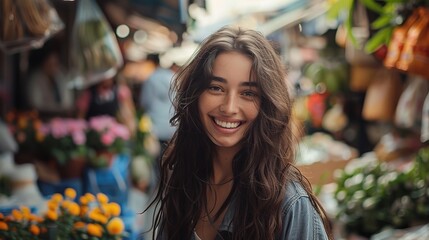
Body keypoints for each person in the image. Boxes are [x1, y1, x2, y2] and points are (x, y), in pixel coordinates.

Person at [147, 26, 332, 240]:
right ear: (195, 94)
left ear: (267, 104)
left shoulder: (288, 203)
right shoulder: (185, 180)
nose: (229, 107)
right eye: (216, 88)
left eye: (248, 93)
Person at [139, 53, 176, 151]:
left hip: (155, 123)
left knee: (157, 155)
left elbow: (145, 102)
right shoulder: (173, 77)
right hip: (172, 123)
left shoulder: (151, 78)